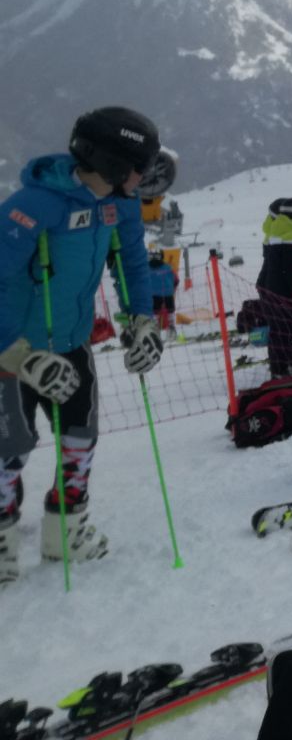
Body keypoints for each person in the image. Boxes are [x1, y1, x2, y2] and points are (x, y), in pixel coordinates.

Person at [0, 107, 166, 583]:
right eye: (140, 165)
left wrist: (142, 320)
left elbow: (131, 263)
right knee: (10, 450)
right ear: (113, 162)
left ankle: (65, 534)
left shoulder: (122, 204)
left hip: (71, 343)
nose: (146, 176)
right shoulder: (35, 205)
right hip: (15, 352)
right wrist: (17, 353)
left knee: (79, 438)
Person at [255, 196, 292, 377]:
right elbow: (291, 274)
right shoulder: (291, 238)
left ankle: (280, 369)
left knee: (281, 331)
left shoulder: (278, 234)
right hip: (283, 294)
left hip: (271, 290)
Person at [147, 253, 178, 331]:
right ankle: (171, 325)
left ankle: (154, 326)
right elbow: (176, 280)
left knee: (155, 311)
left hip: (154, 294)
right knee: (170, 309)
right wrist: (172, 288)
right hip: (168, 293)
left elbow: (143, 281)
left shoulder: (147, 268)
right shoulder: (168, 267)